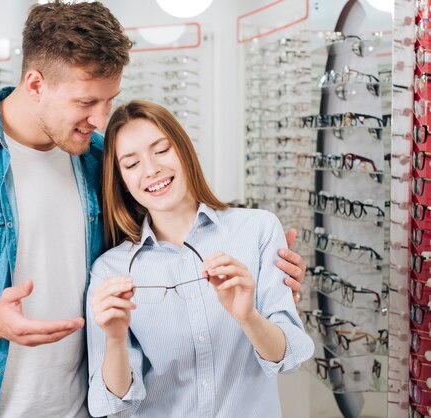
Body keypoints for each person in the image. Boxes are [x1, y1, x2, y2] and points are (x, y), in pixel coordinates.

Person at [0, 1, 307, 417]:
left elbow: (165, 250)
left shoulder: (102, 161)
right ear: (36, 84)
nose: (101, 120)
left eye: (109, 100)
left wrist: (268, 269)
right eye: (85, 103)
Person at [87, 100, 314, 417]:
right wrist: (114, 339)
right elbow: (115, 403)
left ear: (183, 150)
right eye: (131, 163)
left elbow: (290, 358)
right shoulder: (110, 270)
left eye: (161, 149)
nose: (151, 169)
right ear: (120, 179)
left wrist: (248, 316)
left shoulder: (258, 230)